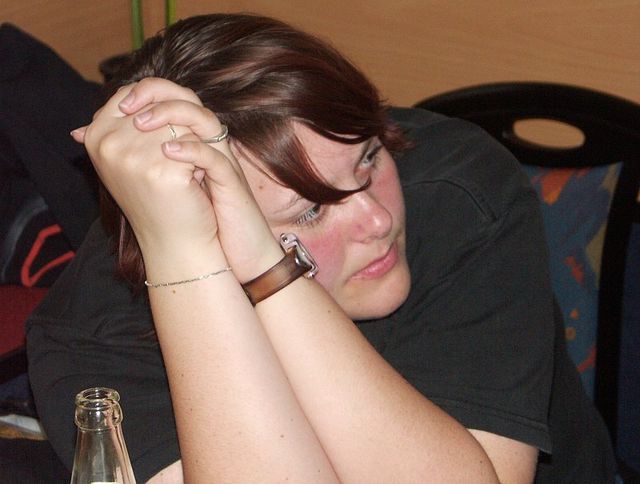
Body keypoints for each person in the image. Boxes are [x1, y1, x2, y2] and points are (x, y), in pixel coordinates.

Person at [26, 13, 615, 483]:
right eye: (309, 210)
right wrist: (191, 265)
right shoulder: (97, 333)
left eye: (369, 158)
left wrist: (267, 266)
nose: (378, 219)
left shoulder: (457, 192)